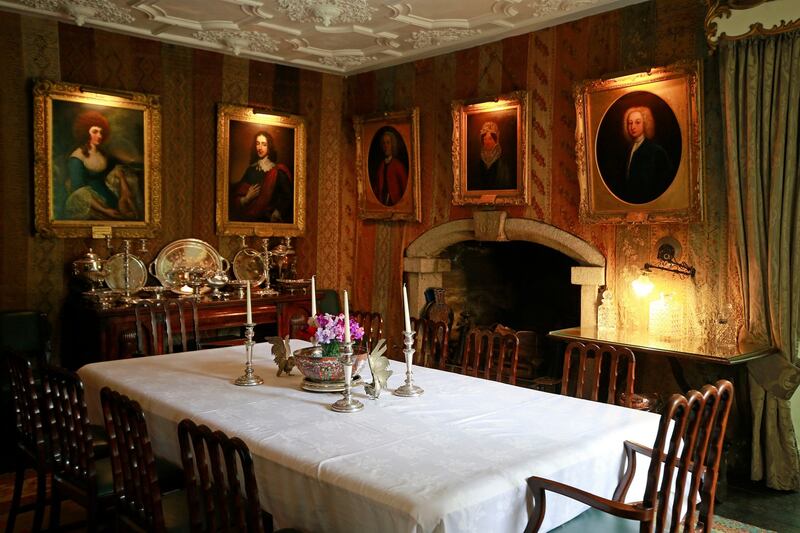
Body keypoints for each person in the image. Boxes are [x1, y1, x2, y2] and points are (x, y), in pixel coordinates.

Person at [63, 110, 139, 220]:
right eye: (95, 132)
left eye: (101, 132)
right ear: (85, 132)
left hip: (108, 193)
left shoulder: (102, 153)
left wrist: (124, 192)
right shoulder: (76, 157)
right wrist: (104, 210)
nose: (99, 135)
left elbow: (116, 171)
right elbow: (78, 191)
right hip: (92, 202)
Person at [614, 106, 675, 204]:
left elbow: (663, 183)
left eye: (637, 122)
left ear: (645, 124)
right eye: (630, 123)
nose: (633, 127)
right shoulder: (627, 150)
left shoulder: (656, 151)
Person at [230, 131, 293, 222]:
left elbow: (287, 197)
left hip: (269, 221)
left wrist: (278, 212)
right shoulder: (250, 170)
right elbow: (237, 195)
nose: (260, 147)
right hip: (249, 221)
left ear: (269, 147)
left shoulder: (278, 171)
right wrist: (246, 199)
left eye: (264, 144)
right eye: (257, 143)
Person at [468, 121, 514, 191]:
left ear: (496, 140)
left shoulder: (502, 161)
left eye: (490, 139)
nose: (487, 142)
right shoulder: (479, 161)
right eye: (485, 139)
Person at [370, 130, 408, 206]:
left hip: (395, 203)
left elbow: (405, 188)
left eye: (388, 143)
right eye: (384, 143)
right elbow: (376, 188)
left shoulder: (398, 165)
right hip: (382, 202)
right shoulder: (381, 166)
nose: (385, 146)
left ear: (392, 145)